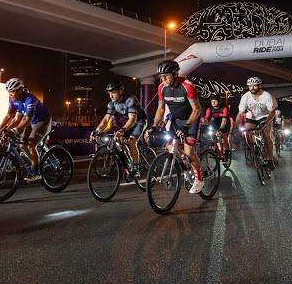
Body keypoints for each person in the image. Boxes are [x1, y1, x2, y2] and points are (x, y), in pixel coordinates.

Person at [147, 60, 204, 193]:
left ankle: (199, 178)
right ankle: (184, 162)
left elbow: (197, 109)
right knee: (170, 146)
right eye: (161, 77)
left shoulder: (187, 86)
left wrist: (187, 126)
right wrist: (154, 125)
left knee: (189, 151)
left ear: (175, 73)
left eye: (166, 76)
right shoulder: (162, 87)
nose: (163, 79)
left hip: (191, 119)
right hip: (176, 120)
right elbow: (160, 109)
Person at [0, 77, 52, 181]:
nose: (10, 94)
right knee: (22, 145)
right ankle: (35, 163)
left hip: (42, 121)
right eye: (9, 92)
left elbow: (26, 120)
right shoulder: (13, 99)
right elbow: (11, 117)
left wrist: (14, 131)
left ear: (20, 90)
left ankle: (37, 173)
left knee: (31, 144)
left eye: (12, 91)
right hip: (31, 122)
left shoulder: (30, 99)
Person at [91, 81, 148, 176]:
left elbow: (132, 120)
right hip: (128, 123)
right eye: (109, 93)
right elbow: (106, 119)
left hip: (139, 121)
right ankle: (130, 160)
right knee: (119, 141)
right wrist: (97, 131)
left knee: (132, 141)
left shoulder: (130, 100)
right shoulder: (112, 104)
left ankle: (136, 166)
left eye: (113, 92)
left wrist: (122, 130)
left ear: (120, 91)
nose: (111, 96)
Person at [235, 77, 277, 170]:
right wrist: (237, 126)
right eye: (250, 86)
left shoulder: (266, 96)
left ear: (259, 86)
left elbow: (272, 112)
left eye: (254, 85)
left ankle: (270, 159)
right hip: (252, 117)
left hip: (265, 116)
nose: (252, 88)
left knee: (266, 135)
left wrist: (266, 123)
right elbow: (240, 113)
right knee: (246, 133)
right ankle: (255, 149)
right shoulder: (245, 97)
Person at [203, 95, 231, 161]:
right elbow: (206, 119)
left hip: (224, 123)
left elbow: (224, 121)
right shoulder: (209, 109)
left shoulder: (224, 108)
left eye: (215, 101)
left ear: (219, 101)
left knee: (224, 138)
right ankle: (216, 149)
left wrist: (220, 129)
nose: (213, 103)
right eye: (212, 101)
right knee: (212, 136)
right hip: (215, 123)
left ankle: (226, 152)